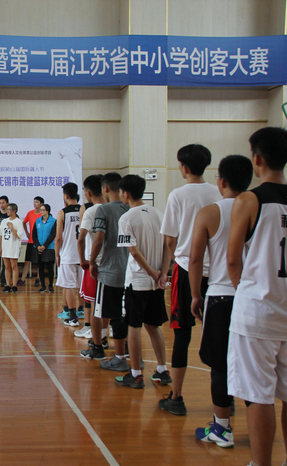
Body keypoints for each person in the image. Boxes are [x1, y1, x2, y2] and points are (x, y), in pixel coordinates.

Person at [227, 127, 287, 466]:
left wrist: (245, 289)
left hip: (256, 313)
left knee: (258, 395)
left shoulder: (249, 200)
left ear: (257, 158)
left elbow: (232, 260)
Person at [190, 155, 253, 448]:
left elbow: (195, 259)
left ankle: (222, 429)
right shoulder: (259, 209)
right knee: (252, 366)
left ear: (222, 181)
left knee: (220, 366)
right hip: (253, 297)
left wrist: (195, 295)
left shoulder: (209, 212)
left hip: (220, 296)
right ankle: (258, 430)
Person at [158, 144, 221, 415]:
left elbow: (170, 239)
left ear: (183, 167)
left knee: (181, 334)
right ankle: (226, 398)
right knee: (219, 335)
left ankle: (177, 397)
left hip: (186, 271)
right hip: (217, 273)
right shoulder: (219, 192)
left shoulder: (178, 195)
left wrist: (176, 259)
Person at [114, 174, 170, 388]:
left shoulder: (127, 218)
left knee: (134, 327)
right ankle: (162, 370)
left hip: (137, 281)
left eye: (121, 192)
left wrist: (152, 273)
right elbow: (168, 247)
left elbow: (134, 252)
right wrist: (162, 273)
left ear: (126, 194)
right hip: (156, 282)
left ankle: (136, 374)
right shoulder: (159, 214)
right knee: (153, 326)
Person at [81, 173, 129, 368]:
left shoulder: (103, 209)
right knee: (124, 313)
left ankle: (99, 347)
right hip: (130, 270)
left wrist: (91, 261)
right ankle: (128, 351)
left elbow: (98, 239)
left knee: (99, 310)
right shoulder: (130, 208)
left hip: (108, 269)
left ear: (105, 188)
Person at [75, 175, 106, 340]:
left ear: (88, 193)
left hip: (94, 263)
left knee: (94, 302)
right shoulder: (116, 209)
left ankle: (97, 338)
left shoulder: (91, 211)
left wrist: (83, 260)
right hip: (113, 264)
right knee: (109, 303)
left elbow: (81, 239)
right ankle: (105, 334)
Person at [55, 183, 82, 326]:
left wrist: (57, 254)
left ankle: (72, 316)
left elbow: (58, 238)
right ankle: (83, 311)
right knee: (82, 286)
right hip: (83, 254)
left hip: (68, 254)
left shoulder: (63, 213)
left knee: (69, 286)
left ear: (65, 196)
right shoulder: (84, 210)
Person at [0, 203, 25, 293]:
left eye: (9, 209)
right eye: (7, 209)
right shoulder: (4, 221)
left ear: (14, 211)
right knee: (7, 267)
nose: (7, 211)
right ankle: (7, 285)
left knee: (14, 266)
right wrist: (0, 248)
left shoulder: (18, 222)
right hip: (5, 246)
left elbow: (19, 236)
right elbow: (0, 235)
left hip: (14, 246)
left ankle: (14, 285)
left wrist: (11, 227)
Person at [32, 203, 56, 293]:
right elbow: (34, 235)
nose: (41, 211)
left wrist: (44, 245)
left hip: (49, 248)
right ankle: (43, 286)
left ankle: (51, 285)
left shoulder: (53, 221)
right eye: (40, 210)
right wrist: (38, 245)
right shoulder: (37, 221)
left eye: (43, 210)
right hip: (38, 247)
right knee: (40, 267)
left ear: (47, 211)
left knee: (50, 267)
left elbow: (53, 235)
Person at [20, 196, 44, 287]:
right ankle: (22, 279)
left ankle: (38, 279)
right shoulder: (30, 213)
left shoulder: (43, 214)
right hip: (31, 241)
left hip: (40, 242)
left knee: (40, 261)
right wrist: (27, 232)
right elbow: (24, 222)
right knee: (27, 261)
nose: (35, 204)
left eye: (37, 202)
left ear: (41, 204)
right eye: (34, 202)